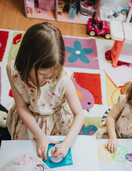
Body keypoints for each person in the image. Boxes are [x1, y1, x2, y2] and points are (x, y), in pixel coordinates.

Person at [6, 23, 84, 160]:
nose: (48, 78)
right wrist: (39, 135)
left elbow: (79, 115)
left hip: (58, 122)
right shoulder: (13, 71)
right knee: (23, 156)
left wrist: (66, 145)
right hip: (30, 121)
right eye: (42, 74)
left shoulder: (63, 79)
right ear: (27, 62)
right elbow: (21, 107)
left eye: (53, 74)